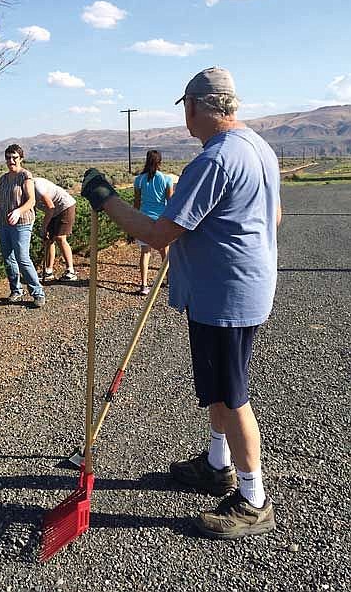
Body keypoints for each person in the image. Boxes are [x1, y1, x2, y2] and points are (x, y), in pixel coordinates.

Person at [81, 67, 281, 539]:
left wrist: (105, 197)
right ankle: (218, 464)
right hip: (236, 287)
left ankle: (254, 498)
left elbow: (156, 233)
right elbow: (274, 215)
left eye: (185, 108)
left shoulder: (214, 161)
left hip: (225, 295)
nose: (185, 117)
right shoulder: (258, 146)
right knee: (215, 387)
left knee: (232, 397)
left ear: (196, 107)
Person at [0, 144, 45, 308]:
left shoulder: (25, 176)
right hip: (4, 224)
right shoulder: (3, 179)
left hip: (22, 222)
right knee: (8, 258)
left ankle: (38, 292)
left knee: (22, 258)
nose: (11, 161)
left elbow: (32, 201)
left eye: (14, 157)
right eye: (8, 157)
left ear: (21, 158)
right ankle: (16, 290)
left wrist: (19, 211)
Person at [133, 150, 174, 295]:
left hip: (144, 218)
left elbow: (136, 203)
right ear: (160, 162)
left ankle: (143, 285)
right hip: (161, 219)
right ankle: (169, 279)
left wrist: (133, 222)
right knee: (165, 251)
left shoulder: (139, 180)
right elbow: (170, 202)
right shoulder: (166, 179)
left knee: (145, 252)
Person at [33, 177, 78, 281]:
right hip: (53, 211)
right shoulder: (22, 190)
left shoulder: (36, 187)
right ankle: (48, 271)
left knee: (60, 238)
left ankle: (70, 271)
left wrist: (44, 227)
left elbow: (50, 208)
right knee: (48, 239)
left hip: (64, 206)